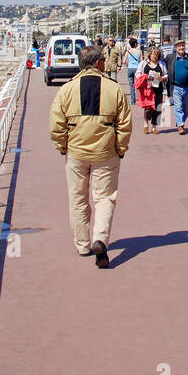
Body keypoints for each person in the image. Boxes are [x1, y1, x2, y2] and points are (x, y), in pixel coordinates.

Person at [49, 45, 132, 268]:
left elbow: (56, 125)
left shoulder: (66, 89)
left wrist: (62, 147)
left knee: (78, 199)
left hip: (76, 151)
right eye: (103, 61)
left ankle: (82, 244)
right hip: (106, 152)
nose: (105, 64)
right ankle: (100, 239)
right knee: (105, 198)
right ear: (96, 63)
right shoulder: (113, 89)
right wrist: (121, 148)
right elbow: (124, 123)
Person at [134, 46, 168, 134]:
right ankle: (145, 123)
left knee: (158, 108)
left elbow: (166, 74)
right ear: (149, 55)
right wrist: (145, 77)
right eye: (153, 55)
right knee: (148, 108)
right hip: (147, 89)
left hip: (158, 88)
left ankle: (154, 126)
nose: (155, 57)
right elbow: (137, 74)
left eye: (156, 55)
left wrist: (163, 78)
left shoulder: (161, 64)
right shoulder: (143, 63)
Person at [124, 37, 142, 107]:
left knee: (131, 86)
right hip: (137, 69)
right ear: (135, 44)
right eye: (137, 43)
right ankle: (138, 99)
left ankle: (132, 101)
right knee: (138, 85)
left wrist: (128, 64)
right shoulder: (139, 51)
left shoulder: (128, 52)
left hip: (130, 68)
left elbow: (124, 61)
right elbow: (141, 61)